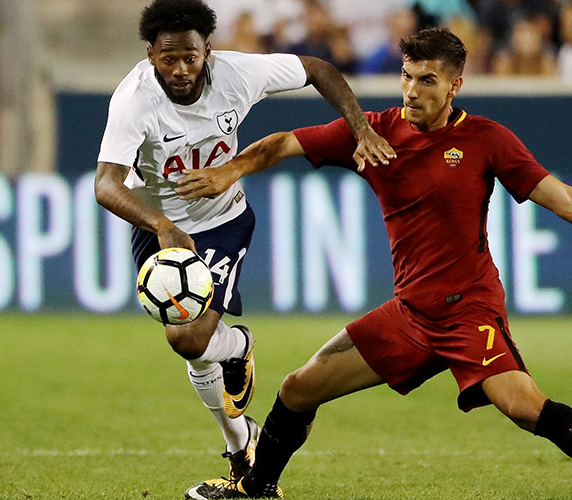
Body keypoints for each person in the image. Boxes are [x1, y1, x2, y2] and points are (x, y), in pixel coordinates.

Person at [175, 27, 572, 500]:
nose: (412, 90)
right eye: (406, 76)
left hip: (469, 312)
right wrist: (231, 171)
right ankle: (258, 488)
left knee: (524, 406)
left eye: (427, 79)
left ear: (454, 85)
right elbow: (282, 142)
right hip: (410, 315)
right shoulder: (374, 132)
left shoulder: (486, 139)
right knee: (296, 389)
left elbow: (563, 199)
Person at [93, 0, 395, 493]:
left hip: (221, 222)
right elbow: (106, 185)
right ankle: (240, 446)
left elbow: (318, 69)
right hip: (158, 227)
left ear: (207, 50)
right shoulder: (134, 99)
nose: (181, 68)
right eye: (168, 58)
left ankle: (237, 347)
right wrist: (161, 225)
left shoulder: (238, 73)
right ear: (150, 55)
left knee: (187, 339)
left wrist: (360, 126)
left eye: (191, 56)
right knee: (193, 352)